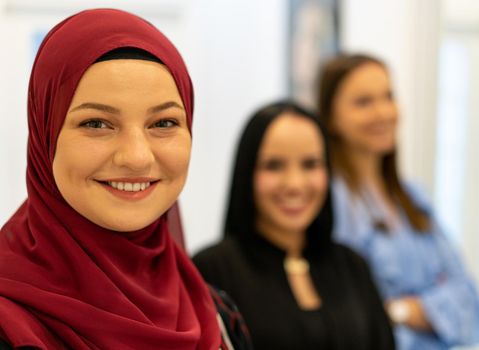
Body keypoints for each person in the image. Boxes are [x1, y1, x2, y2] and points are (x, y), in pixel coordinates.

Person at [0, 9, 251, 349]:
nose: (136, 157)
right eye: (96, 123)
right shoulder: (9, 322)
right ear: (46, 135)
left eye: (163, 123)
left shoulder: (216, 314)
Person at [317, 53, 479, 350]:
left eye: (389, 96)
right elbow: (347, 318)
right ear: (331, 118)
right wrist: (430, 311)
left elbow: (469, 301)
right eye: (363, 102)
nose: (384, 112)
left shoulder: (413, 197)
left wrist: (398, 310)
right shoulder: (328, 202)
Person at [193, 101, 396, 350]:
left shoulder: (353, 265)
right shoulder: (211, 270)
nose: (295, 184)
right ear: (247, 172)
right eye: (274, 166)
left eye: (310, 164)